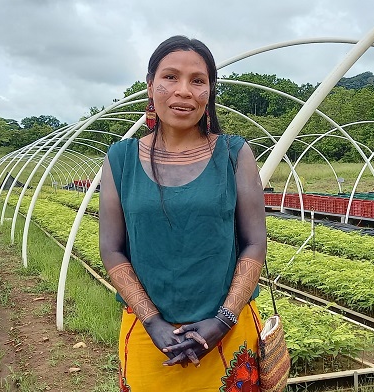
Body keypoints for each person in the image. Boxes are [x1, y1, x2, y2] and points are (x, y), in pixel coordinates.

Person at [99, 35, 267, 391]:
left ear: (210, 92)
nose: (183, 91)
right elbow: (111, 248)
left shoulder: (235, 155)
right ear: (150, 86)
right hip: (151, 340)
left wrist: (222, 321)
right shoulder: (120, 159)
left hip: (228, 334)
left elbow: (255, 242)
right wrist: (153, 322)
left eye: (198, 81)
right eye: (170, 77)